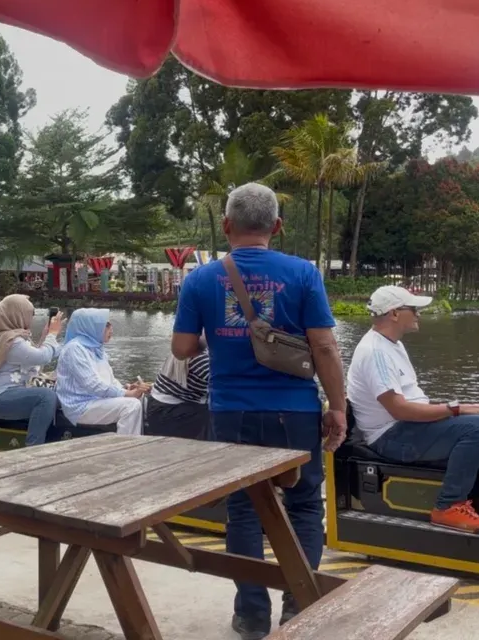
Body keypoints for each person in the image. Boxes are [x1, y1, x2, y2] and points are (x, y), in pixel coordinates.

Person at [171, 183, 346, 640]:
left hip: (231, 412)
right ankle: (298, 606)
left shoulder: (200, 279)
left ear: (227, 225)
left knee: (244, 510)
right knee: (305, 506)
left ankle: (251, 615)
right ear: (278, 227)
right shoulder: (303, 273)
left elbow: (183, 347)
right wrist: (339, 408)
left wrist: (224, 332)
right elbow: (325, 347)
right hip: (295, 411)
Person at [347, 285, 479, 533]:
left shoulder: (391, 344)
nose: (418, 314)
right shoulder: (375, 352)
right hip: (392, 436)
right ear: (394, 313)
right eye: (414, 309)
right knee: (478, 427)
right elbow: (400, 411)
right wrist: (456, 408)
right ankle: (448, 506)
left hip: (407, 428)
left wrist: (460, 409)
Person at [0, 294, 62, 446]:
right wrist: (52, 335)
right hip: (0, 398)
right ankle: (33, 448)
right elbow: (42, 357)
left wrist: (46, 336)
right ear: (17, 315)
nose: (31, 318)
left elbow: (35, 362)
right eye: (30, 314)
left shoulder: (17, 337)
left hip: (14, 392)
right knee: (46, 396)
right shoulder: (12, 341)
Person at [54, 308, 147, 434]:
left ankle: (140, 442)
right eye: (106, 325)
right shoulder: (74, 349)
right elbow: (92, 384)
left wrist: (127, 389)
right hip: (81, 405)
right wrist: (126, 394)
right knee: (131, 406)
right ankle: (125, 449)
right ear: (91, 326)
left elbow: (109, 379)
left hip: (97, 400)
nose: (111, 329)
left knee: (143, 400)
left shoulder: (96, 348)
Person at [146, 344, 212, 440]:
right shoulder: (200, 357)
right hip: (170, 413)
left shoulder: (183, 348)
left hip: (158, 407)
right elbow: (225, 386)